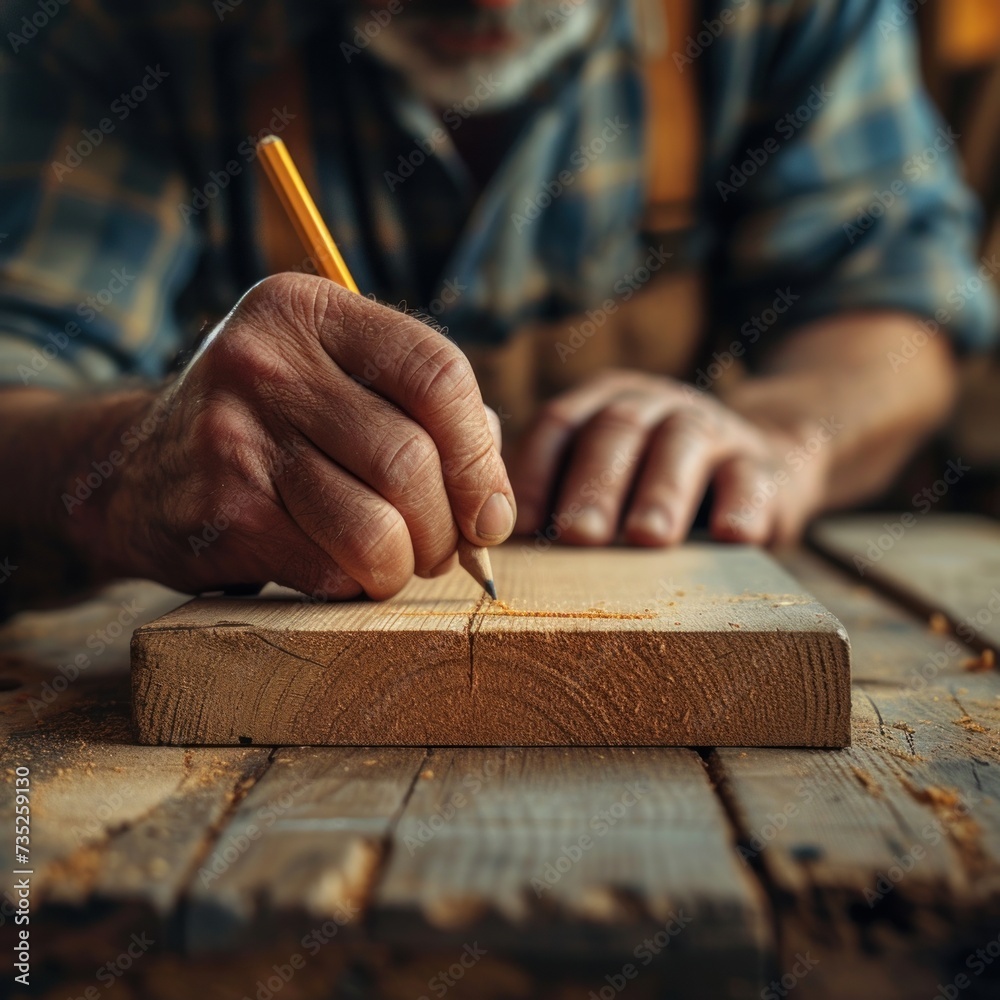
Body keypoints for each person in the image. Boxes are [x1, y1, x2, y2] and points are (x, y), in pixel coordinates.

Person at [0, 0, 995, 614]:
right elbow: (19, 372)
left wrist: (783, 438)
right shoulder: (128, 22)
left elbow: (898, 308)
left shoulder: (774, 12)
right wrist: (133, 461)